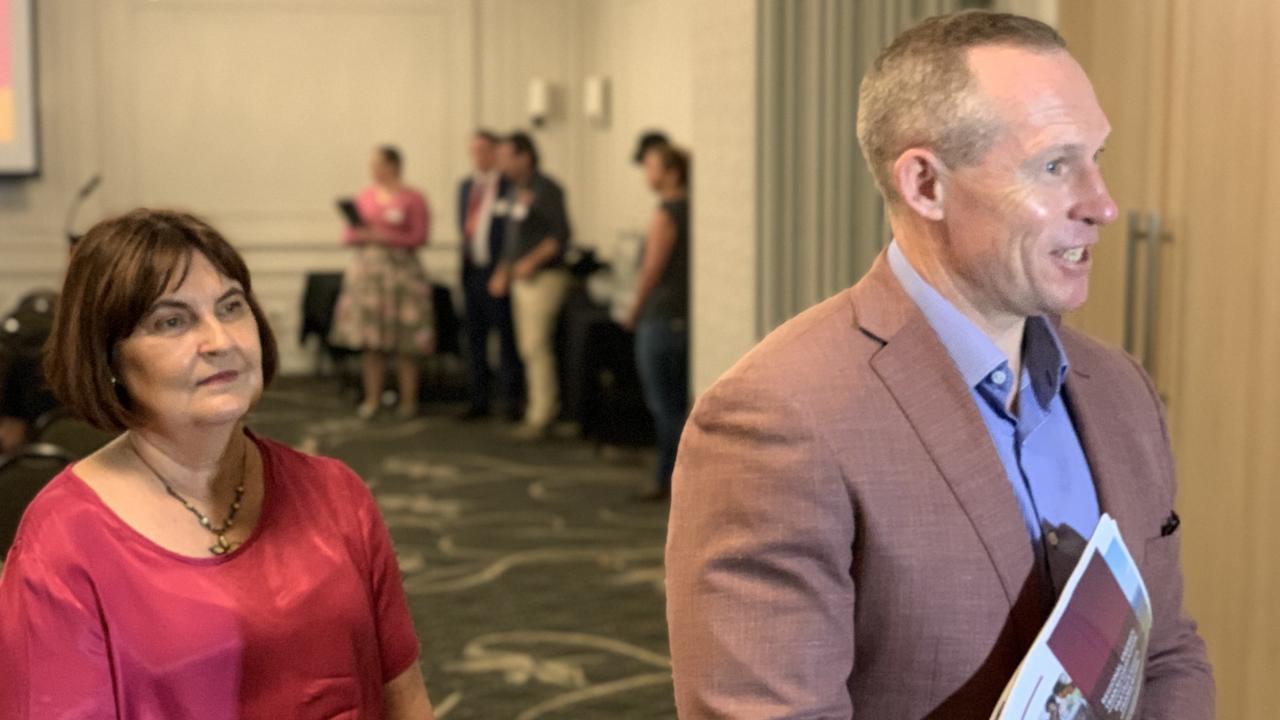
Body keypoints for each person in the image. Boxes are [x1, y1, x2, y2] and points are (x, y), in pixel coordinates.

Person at [665, 10, 1212, 718]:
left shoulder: (1121, 392)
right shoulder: (777, 421)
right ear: (926, 186)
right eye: (1053, 166)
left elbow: (1165, 650)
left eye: (1096, 158)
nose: (1102, 205)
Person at [0, 209, 435, 718]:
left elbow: (404, 699)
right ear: (108, 359)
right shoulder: (64, 543)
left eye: (231, 307)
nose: (221, 341)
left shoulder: (337, 494)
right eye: (172, 321)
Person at [331, 145, 435, 420]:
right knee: (372, 342)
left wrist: (386, 237)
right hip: (369, 275)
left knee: (406, 344)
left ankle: (408, 400)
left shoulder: (413, 198)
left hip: (401, 275)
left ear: (394, 165)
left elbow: (420, 237)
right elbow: (348, 237)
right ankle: (373, 398)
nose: (374, 170)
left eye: (379, 164)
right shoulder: (364, 198)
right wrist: (367, 235)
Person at [488, 132, 572, 439]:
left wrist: (531, 262)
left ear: (525, 156)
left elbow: (559, 236)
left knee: (536, 346)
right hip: (520, 281)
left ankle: (542, 414)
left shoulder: (546, 189)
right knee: (527, 347)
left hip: (543, 278)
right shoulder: (513, 191)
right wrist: (503, 270)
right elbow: (512, 240)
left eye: (506, 156)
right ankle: (537, 406)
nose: (501, 163)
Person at [623, 144, 691, 501]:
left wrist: (634, 308)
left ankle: (670, 477)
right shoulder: (696, 209)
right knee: (680, 402)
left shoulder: (667, 213)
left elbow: (652, 270)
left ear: (671, 172)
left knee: (664, 405)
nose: (647, 174)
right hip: (685, 315)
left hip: (662, 316)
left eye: (651, 167)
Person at [458, 129, 522, 422]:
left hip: (499, 271)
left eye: (484, 150)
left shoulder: (510, 186)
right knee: (475, 338)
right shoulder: (466, 186)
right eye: (474, 151)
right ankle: (478, 399)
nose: (478, 156)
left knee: (506, 337)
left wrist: (505, 268)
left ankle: (509, 401)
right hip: (472, 269)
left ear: (496, 152)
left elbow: (513, 232)